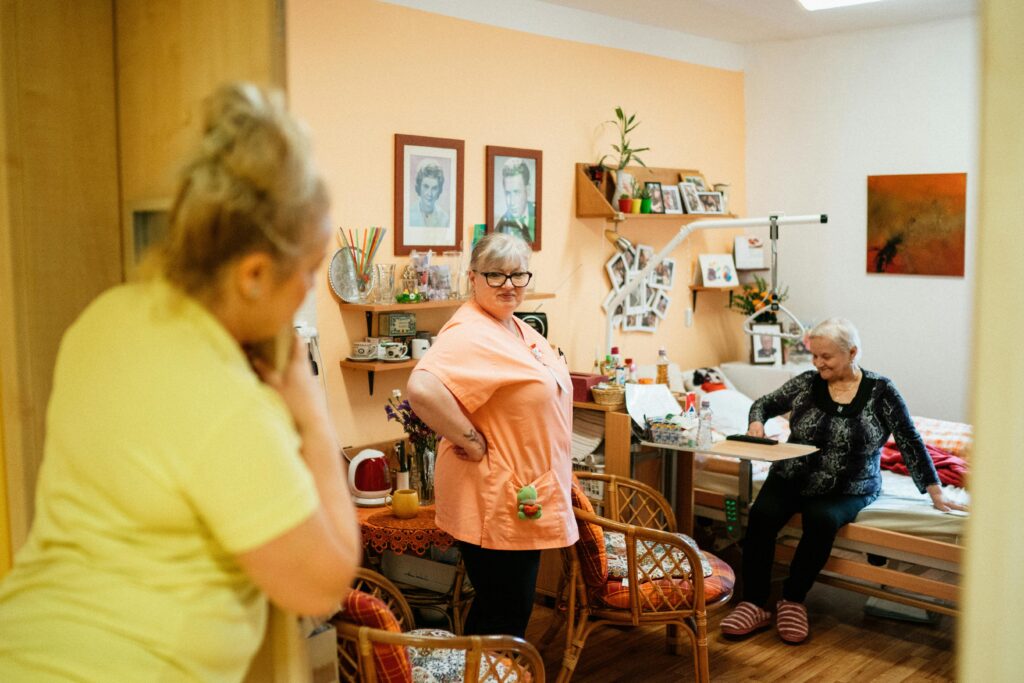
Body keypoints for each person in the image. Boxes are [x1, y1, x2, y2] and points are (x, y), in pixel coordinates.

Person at [0, 83, 362, 681]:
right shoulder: (224, 400)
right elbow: (321, 585)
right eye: (308, 271)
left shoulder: (109, 316)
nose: (308, 290)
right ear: (252, 274)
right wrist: (313, 417)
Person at [720, 318, 966, 644]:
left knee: (821, 519)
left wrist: (934, 492)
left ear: (852, 352)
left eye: (827, 357)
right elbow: (764, 404)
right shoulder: (807, 383)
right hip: (792, 474)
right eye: (815, 356)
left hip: (849, 484)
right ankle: (753, 602)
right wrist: (756, 424)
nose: (818, 364)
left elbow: (909, 440)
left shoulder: (881, 391)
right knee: (762, 515)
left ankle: (793, 599)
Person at [406, 233, 577, 638]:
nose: (509, 285)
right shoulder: (469, 332)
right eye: (496, 275)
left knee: (502, 608)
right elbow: (422, 389)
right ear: (473, 278)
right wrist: (469, 440)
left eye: (518, 275)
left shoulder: (514, 326)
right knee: (504, 614)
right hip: (497, 494)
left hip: (523, 491)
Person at [494, 158, 536, 243]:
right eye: (508, 193)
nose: (511, 202)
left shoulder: (540, 215)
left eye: (516, 192)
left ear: (528, 190)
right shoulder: (500, 228)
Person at [409, 160, 450, 227]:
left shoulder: (444, 219)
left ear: (439, 191)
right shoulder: (408, 215)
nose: (429, 193)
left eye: (434, 188)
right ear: (419, 187)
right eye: (426, 186)